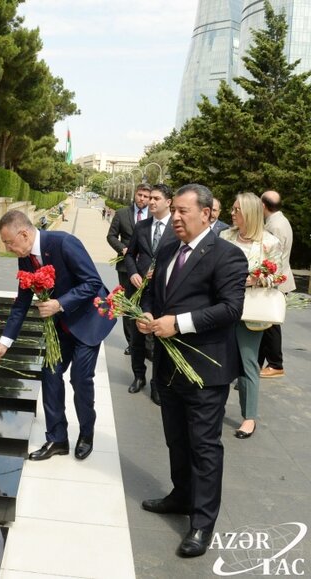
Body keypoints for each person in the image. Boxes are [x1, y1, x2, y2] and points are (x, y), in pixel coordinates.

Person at [136, 184, 247, 558]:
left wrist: (178, 323)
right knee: (176, 439)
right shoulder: (167, 249)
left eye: (184, 211)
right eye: (176, 211)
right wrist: (148, 314)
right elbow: (154, 293)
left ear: (207, 214)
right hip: (168, 365)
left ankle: (201, 523)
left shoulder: (227, 256)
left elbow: (231, 309)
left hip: (206, 368)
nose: (176, 218)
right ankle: (181, 496)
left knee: (204, 447)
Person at [0, 210, 116, 462]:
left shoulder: (64, 243)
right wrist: (4, 343)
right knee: (50, 373)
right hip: (61, 326)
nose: (9, 249)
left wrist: (59, 304)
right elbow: (22, 302)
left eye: (9, 243)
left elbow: (92, 282)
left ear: (23, 234)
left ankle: (86, 433)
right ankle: (57, 438)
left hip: (88, 320)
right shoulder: (25, 256)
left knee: (80, 378)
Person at [220, 192, 283, 438]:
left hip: (251, 311)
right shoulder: (225, 236)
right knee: (220, 359)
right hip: (222, 308)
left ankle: (249, 417)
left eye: (237, 209)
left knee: (247, 364)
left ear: (250, 213)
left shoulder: (269, 242)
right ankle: (213, 408)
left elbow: (277, 277)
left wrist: (254, 278)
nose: (232, 213)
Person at [123, 183, 174, 405]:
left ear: (168, 202)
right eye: (149, 198)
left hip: (164, 292)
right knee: (137, 337)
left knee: (159, 340)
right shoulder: (141, 226)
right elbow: (129, 254)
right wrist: (133, 272)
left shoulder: (177, 226)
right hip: (138, 290)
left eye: (156, 198)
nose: (151, 202)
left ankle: (157, 384)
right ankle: (138, 376)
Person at [107, 183, 151, 354]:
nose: (142, 199)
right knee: (128, 304)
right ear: (135, 195)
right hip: (126, 267)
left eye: (146, 196)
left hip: (148, 269)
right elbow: (111, 236)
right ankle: (132, 343)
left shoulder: (153, 217)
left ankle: (147, 344)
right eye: (140, 195)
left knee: (146, 304)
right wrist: (123, 249)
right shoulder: (121, 213)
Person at [259, 190, 295, 378]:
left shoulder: (276, 226)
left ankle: (275, 364)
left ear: (263, 205)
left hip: (275, 283)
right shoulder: (277, 221)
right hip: (275, 281)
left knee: (271, 325)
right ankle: (266, 362)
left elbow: (275, 260)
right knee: (267, 325)